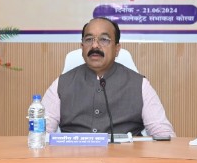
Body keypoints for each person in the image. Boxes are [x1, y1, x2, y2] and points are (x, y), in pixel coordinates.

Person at [42, 17, 175, 137]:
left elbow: (162, 133)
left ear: (117, 49)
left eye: (104, 39)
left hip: (126, 155)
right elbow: (40, 133)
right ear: (82, 47)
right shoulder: (61, 84)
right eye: (89, 39)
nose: (95, 45)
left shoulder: (139, 85)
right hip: (74, 155)